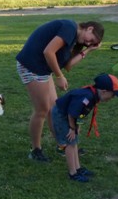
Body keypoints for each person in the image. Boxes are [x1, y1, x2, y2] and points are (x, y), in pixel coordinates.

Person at [16, 19, 104, 162]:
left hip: (42, 70)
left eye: (91, 43)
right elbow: (48, 52)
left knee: (54, 109)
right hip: (31, 66)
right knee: (42, 110)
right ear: (89, 28)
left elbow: (68, 65)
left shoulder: (76, 40)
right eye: (91, 40)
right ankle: (35, 150)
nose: (88, 43)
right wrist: (59, 76)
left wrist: (88, 50)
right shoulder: (69, 27)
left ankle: (62, 145)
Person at [51, 73, 118, 182]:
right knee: (70, 142)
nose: (113, 98)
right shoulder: (87, 97)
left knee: (74, 141)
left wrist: (77, 127)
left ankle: (78, 168)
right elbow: (71, 113)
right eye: (113, 95)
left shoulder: (93, 96)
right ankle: (72, 173)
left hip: (70, 115)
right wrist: (72, 128)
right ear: (104, 91)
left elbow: (81, 113)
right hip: (61, 114)